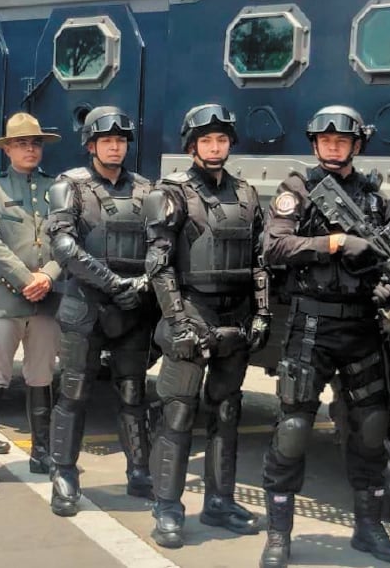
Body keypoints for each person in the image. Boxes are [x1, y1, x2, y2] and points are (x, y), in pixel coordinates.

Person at [259, 105, 390, 567]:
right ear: (315, 144)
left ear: (356, 145)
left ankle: (368, 529)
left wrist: (385, 282)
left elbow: (387, 257)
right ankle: (278, 535)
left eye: (341, 141)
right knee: (294, 429)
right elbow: (274, 247)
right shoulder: (297, 189)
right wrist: (334, 243)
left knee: (371, 429)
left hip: (361, 324)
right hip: (312, 325)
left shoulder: (373, 196)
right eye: (325, 141)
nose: (333, 147)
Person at [143, 104, 270, 549]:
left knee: (227, 412)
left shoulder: (247, 193)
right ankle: (167, 506)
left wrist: (262, 313)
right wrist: (176, 320)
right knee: (177, 412)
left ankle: (219, 501)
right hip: (192, 309)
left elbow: (259, 262)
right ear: (191, 145)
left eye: (221, 140)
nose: (215, 148)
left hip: (236, 312)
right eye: (206, 141)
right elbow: (158, 265)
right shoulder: (172, 193)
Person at [45, 106, 157, 517]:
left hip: (133, 309)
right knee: (73, 393)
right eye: (107, 141)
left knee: (133, 392)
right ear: (91, 145)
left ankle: (140, 470)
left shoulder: (148, 190)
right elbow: (64, 247)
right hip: (85, 306)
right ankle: (63, 472)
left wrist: (143, 285)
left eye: (121, 140)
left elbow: (162, 246)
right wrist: (114, 284)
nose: (115, 147)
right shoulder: (69, 187)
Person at [0, 113, 63, 491]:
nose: (30, 149)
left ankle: (42, 451)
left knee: (42, 376)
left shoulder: (56, 188)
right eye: (22, 143)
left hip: (45, 301)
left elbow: (67, 238)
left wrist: (50, 275)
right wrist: (28, 280)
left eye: (35, 143)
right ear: (7, 149)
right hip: (4, 299)